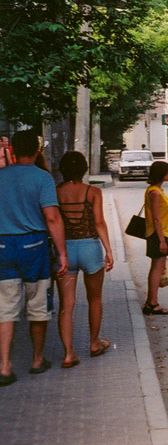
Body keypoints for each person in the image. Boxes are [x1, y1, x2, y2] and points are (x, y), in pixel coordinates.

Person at [0, 131, 69, 386]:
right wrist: (62, 253)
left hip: (3, 246)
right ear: (38, 151)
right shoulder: (43, 178)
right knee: (38, 303)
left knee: (6, 306)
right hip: (34, 246)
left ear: (13, 151)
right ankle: (37, 360)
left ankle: (4, 365)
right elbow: (52, 217)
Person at [54, 152, 113, 368]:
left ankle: (69, 354)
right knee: (95, 298)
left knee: (66, 306)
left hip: (65, 251)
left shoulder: (56, 192)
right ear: (84, 169)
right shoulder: (93, 192)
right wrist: (108, 250)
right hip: (90, 249)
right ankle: (94, 343)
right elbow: (99, 222)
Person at [143, 161, 168, 316]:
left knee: (157, 267)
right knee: (156, 268)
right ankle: (152, 303)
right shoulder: (155, 193)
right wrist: (162, 241)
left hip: (159, 233)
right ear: (161, 174)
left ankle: (151, 301)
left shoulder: (155, 190)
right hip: (157, 234)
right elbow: (156, 218)